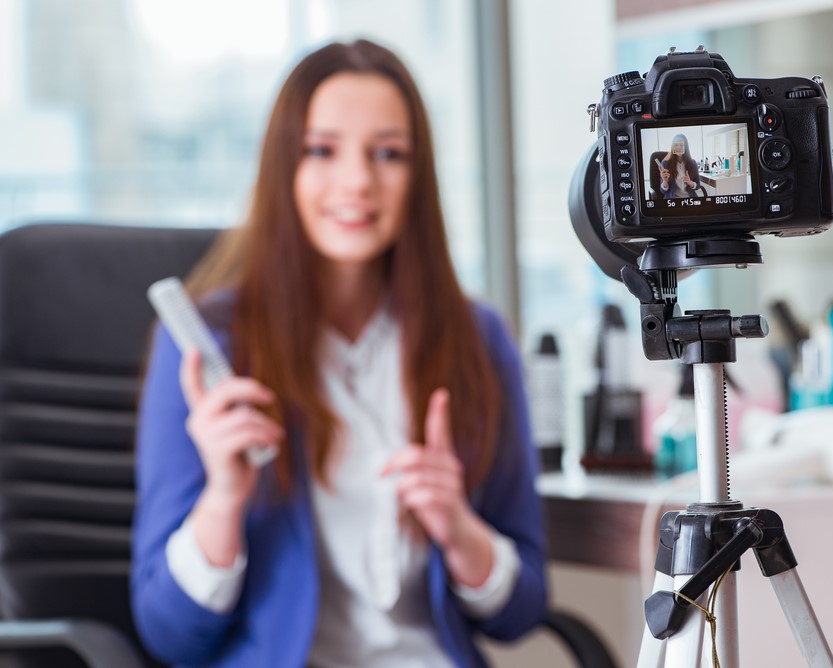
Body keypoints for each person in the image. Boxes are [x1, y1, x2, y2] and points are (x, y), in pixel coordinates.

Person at [130, 39, 547, 667]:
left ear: (419, 176)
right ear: (283, 168)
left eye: (388, 153)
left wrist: (458, 526)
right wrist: (223, 497)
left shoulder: (478, 339)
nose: (357, 182)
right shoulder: (208, 345)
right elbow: (167, 635)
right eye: (322, 150)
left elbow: (522, 612)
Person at [654, 133, 701, 199]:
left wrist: (690, 182)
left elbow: (698, 186)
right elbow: (663, 191)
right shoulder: (665, 164)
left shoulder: (693, 163)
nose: (679, 147)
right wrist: (665, 181)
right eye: (676, 145)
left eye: (681, 145)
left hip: (689, 199)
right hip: (673, 200)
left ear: (686, 147)